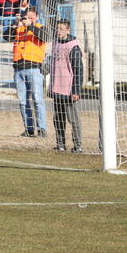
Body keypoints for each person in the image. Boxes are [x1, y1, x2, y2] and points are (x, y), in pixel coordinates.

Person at [46, 19, 83, 153]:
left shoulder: (74, 47)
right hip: (57, 89)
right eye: (57, 28)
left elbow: (78, 70)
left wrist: (76, 90)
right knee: (58, 118)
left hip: (69, 90)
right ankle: (60, 144)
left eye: (61, 29)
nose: (58, 31)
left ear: (68, 30)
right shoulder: (55, 43)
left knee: (73, 119)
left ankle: (78, 146)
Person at [13, 6, 47, 138]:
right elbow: (5, 36)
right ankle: (29, 129)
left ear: (36, 17)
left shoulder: (40, 27)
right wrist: (15, 23)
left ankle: (42, 128)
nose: (28, 19)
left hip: (34, 68)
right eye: (27, 17)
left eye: (31, 17)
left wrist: (30, 26)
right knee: (23, 101)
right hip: (19, 68)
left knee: (37, 99)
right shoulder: (19, 29)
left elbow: (44, 37)